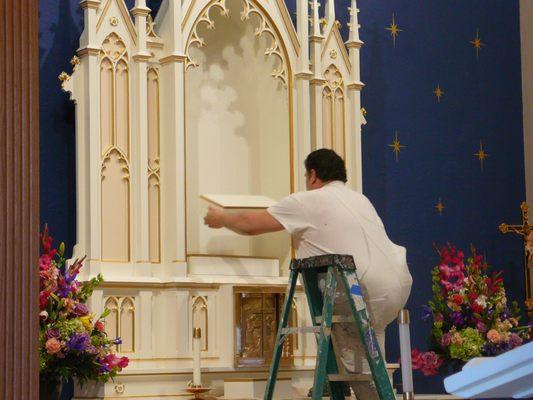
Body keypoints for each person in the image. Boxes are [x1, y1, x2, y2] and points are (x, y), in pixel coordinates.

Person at [204, 148, 412, 399]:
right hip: (395, 285)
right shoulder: (360, 199)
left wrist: (221, 218)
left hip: (360, 289)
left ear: (312, 175)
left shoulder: (306, 200)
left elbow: (250, 225)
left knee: (358, 369)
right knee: (371, 361)